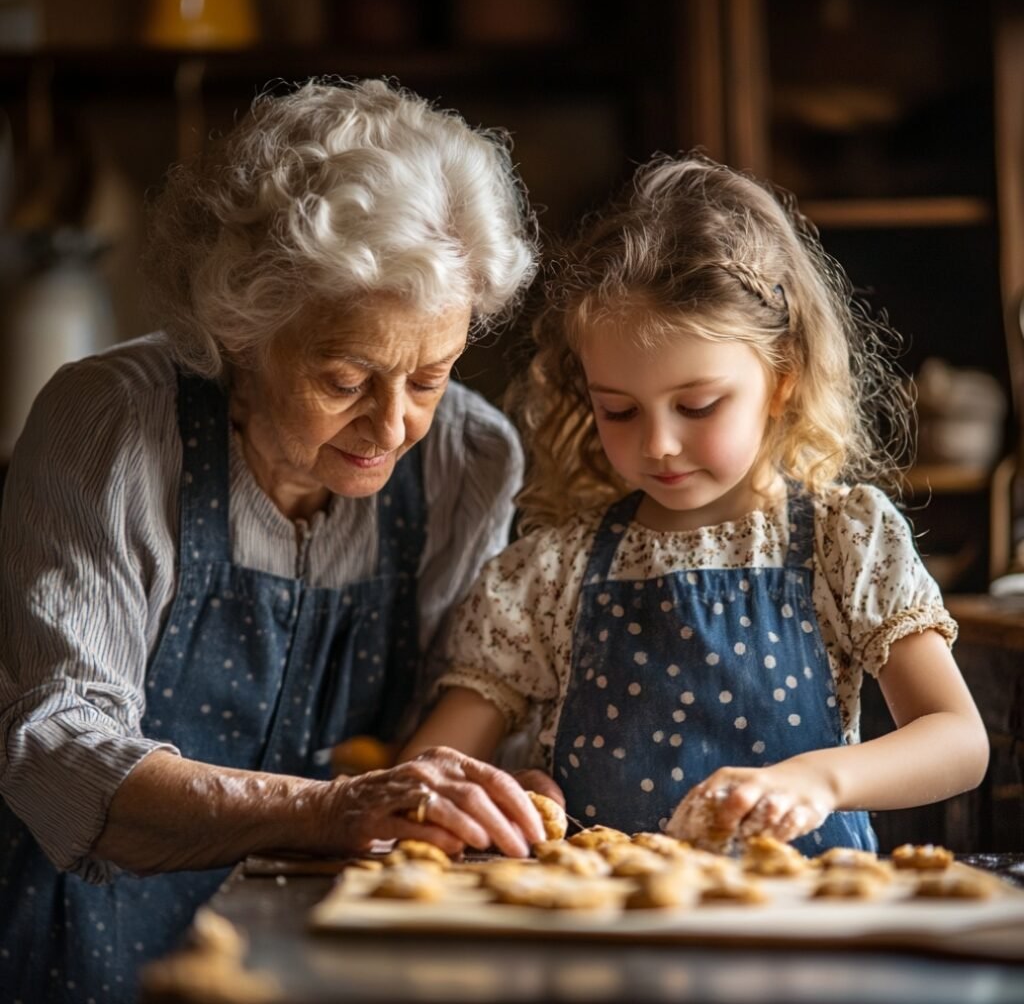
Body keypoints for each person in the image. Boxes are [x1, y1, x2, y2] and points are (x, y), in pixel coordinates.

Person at [0, 78, 548, 1004]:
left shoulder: (469, 454)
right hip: (89, 949)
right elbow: (56, 749)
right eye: (346, 377)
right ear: (242, 332)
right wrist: (334, 808)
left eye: (431, 374)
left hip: (337, 954)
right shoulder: (115, 427)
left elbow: (469, 708)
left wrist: (515, 783)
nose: (392, 424)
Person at [401, 151, 990, 854]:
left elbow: (959, 741)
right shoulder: (547, 576)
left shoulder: (843, 541)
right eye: (618, 411)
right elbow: (428, 780)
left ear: (781, 380)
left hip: (810, 932)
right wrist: (506, 793)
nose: (660, 445)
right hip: (610, 940)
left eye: (698, 405)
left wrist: (820, 781)